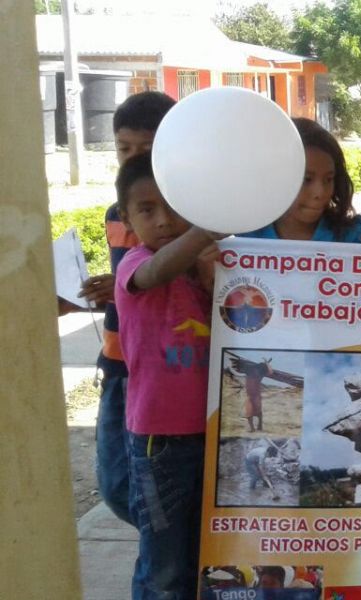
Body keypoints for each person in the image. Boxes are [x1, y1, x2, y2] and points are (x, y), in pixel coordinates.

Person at [113, 153, 221, 599]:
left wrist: (213, 277)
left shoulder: (205, 265)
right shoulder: (133, 265)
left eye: (174, 207)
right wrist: (204, 231)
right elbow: (157, 272)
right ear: (127, 219)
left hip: (213, 432)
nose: (163, 220)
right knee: (164, 566)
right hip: (160, 442)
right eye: (147, 210)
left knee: (200, 555)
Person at [76, 91, 176, 527]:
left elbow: (163, 287)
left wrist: (118, 290)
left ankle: (167, 557)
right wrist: (88, 292)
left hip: (159, 367)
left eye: (147, 149)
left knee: (153, 488)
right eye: (124, 148)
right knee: (117, 486)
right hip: (117, 361)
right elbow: (127, 281)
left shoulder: (183, 216)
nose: (133, 158)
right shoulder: (116, 213)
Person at [241, 118, 361, 243]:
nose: (320, 192)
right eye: (306, 179)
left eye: (329, 179)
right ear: (274, 178)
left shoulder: (352, 236)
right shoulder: (247, 230)